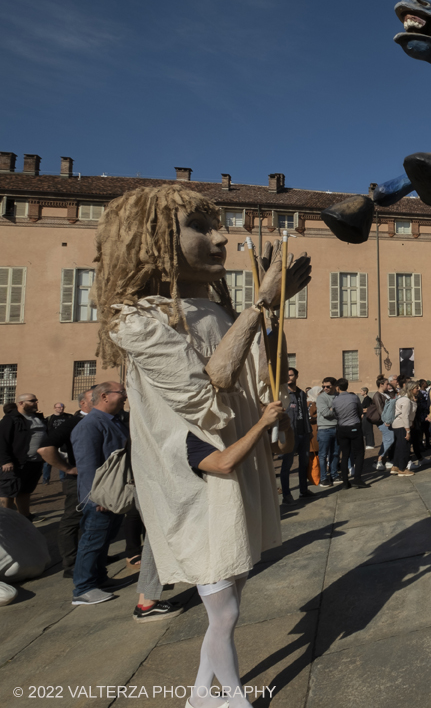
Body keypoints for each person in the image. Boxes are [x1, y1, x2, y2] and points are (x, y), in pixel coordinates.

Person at [93, 185, 306, 708]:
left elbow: (258, 376)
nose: (221, 237)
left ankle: (198, 696)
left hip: (234, 466)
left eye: (220, 226)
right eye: (201, 227)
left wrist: (270, 311)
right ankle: (229, 699)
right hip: (194, 479)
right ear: (153, 239)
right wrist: (260, 304)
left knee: (231, 598)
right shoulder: (137, 318)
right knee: (226, 610)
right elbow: (208, 388)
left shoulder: (215, 309)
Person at [70, 382, 131, 605]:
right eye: (121, 392)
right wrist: (97, 497)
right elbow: (87, 466)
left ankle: (99, 578)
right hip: (99, 498)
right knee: (92, 541)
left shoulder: (113, 421)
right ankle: (83, 588)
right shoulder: (90, 425)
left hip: (113, 494)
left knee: (105, 538)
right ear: (105, 396)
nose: (125, 396)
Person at [41, 387, 90, 578]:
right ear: (83, 403)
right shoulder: (73, 422)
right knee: (72, 520)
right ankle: (70, 563)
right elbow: (45, 448)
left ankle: (90, 556)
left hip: (96, 479)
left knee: (92, 520)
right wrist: (67, 468)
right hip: (76, 480)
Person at [0, 392, 47, 519]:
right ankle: (5, 519)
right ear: (21, 403)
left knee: (25, 491)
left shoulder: (38, 418)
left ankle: (25, 517)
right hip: (16, 463)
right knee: (8, 492)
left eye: (36, 400)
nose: (36, 402)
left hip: (34, 463)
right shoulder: (10, 419)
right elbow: (2, 441)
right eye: (32, 400)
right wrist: (5, 461)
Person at [280, 367, 313, 503]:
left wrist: (309, 430)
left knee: (304, 463)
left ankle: (303, 490)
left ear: (297, 376)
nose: (289, 378)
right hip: (290, 435)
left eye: (291, 375)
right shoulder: (283, 394)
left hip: (303, 433)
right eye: (286, 375)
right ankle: (287, 495)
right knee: (287, 465)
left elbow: (305, 413)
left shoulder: (301, 393)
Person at [334, 379, 369, 488]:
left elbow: (334, 414)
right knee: (359, 453)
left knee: (345, 454)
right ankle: (357, 478)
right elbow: (360, 410)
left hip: (342, 428)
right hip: (354, 426)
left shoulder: (335, 400)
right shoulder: (354, 397)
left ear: (337, 388)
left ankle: (345, 481)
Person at [388, 384, 419, 475]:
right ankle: (402, 469)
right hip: (402, 425)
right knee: (404, 448)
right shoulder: (406, 401)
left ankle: (396, 466)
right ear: (411, 389)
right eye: (416, 388)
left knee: (399, 446)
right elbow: (405, 416)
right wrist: (408, 431)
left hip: (398, 425)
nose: (418, 389)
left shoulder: (402, 398)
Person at [314, 376, 339, 485]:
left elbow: (335, 411)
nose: (325, 388)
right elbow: (326, 413)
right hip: (324, 429)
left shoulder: (338, 396)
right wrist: (337, 410)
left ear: (334, 386)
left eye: (328, 386)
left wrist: (332, 409)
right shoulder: (321, 398)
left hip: (337, 428)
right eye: (323, 386)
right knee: (323, 455)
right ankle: (323, 478)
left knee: (335, 453)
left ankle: (334, 475)